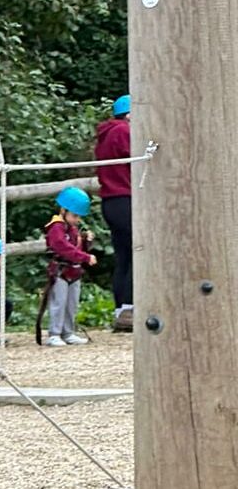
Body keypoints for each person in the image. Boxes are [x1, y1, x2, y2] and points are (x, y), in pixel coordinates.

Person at [39, 186, 97, 347]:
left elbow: (75, 248)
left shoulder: (72, 228)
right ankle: (54, 333)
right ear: (63, 210)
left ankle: (68, 332)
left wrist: (85, 241)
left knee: (71, 303)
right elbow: (63, 248)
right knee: (59, 302)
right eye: (74, 215)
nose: (77, 220)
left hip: (75, 270)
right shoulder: (56, 228)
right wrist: (85, 257)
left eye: (79, 217)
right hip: (60, 270)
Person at [95, 93, 133, 332]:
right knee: (138, 254)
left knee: (124, 256)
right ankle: (130, 308)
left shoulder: (106, 134)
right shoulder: (124, 132)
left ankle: (121, 308)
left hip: (112, 201)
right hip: (125, 198)